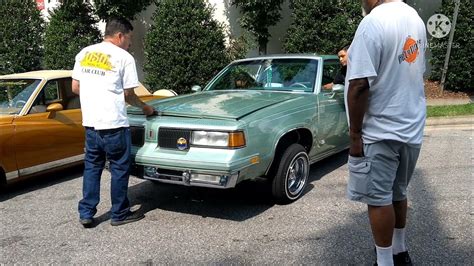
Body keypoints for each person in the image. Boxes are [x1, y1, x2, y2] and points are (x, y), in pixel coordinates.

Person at [345, 1, 426, 265]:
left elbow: (358, 85)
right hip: (410, 126)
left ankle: (384, 262)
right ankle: (400, 252)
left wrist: (355, 135)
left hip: (380, 129)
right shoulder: (414, 17)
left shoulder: (372, 22)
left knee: (379, 200)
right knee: (398, 193)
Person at [72, 17, 156, 228]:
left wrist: (95, 93)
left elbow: (75, 87)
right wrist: (145, 108)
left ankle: (86, 212)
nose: (129, 43)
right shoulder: (123, 57)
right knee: (119, 168)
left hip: (91, 123)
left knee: (92, 167)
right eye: (129, 39)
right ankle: (119, 213)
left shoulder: (85, 53)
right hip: (114, 124)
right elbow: (128, 94)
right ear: (120, 36)